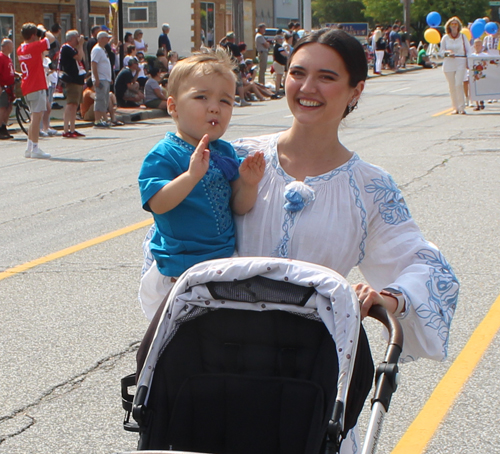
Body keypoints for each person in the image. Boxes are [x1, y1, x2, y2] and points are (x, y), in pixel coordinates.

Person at [229, 29, 460, 451]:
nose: (307, 87)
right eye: (297, 73)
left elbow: (424, 264)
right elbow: (177, 240)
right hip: (222, 357)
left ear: (356, 90)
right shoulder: (238, 158)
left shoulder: (369, 186)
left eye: (326, 77)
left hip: (313, 368)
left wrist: (388, 298)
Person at [137, 49, 265, 320]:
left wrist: (249, 184)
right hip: (179, 272)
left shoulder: (226, 151)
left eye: (225, 100)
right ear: (172, 106)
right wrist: (191, 176)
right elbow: (158, 203)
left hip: (223, 265)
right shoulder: (165, 154)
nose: (214, 107)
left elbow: (237, 206)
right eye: (201, 97)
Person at [17, 23, 55, 158]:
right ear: (33, 35)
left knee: (34, 117)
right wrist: (43, 30)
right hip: (36, 85)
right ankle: (35, 148)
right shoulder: (34, 47)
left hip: (27, 86)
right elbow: (51, 38)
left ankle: (29, 147)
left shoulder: (20, 48)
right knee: (36, 118)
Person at [440, 17, 471, 115]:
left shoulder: (462, 37)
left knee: (459, 84)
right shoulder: (445, 37)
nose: (454, 26)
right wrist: (447, 52)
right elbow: (441, 52)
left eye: (455, 24)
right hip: (449, 62)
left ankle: (462, 107)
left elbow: (468, 50)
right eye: (452, 24)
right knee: (452, 86)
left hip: (460, 61)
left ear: (458, 26)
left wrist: (468, 62)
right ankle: (455, 107)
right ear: (449, 26)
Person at [60, 30, 86, 138]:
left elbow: (82, 57)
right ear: (71, 38)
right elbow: (79, 57)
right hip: (72, 80)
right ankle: (66, 129)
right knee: (70, 104)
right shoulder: (66, 48)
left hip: (78, 79)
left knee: (75, 105)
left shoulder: (74, 49)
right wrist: (80, 45)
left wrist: (80, 46)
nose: (78, 39)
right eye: (77, 37)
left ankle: (72, 129)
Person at [91, 30, 114, 127]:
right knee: (99, 99)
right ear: (101, 38)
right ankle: (97, 120)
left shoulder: (102, 49)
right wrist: (97, 79)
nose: (108, 39)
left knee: (104, 99)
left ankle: (102, 119)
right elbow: (94, 64)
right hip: (100, 78)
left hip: (105, 78)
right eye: (106, 37)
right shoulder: (96, 49)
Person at [0, 38, 16, 140]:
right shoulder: (1, 57)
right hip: (3, 87)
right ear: (5, 47)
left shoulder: (8, 58)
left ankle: (3, 126)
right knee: (2, 108)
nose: (12, 48)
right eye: (10, 46)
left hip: (10, 87)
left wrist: (17, 74)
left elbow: (10, 71)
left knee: (9, 107)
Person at [470, 39, 488, 111]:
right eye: (476, 45)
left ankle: (481, 102)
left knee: (481, 88)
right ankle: (477, 104)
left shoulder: (485, 55)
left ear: (482, 46)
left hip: (482, 74)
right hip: (474, 74)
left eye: (479, 45)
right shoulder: (471, 56)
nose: (477, 47)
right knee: (474, 89)